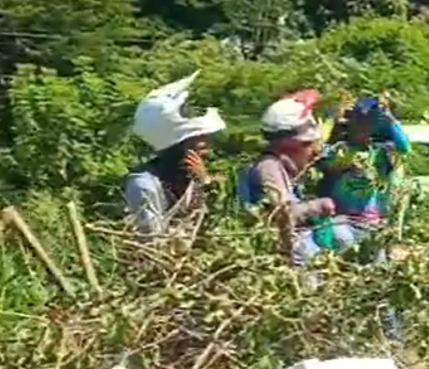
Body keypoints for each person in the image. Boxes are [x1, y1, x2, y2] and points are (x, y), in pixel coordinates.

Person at [238, 90, 336, 266]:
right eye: (306, 144)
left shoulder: (283, 169)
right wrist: (317, 206)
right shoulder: (269, 168)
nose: (311, 151)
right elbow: (280, 215)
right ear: (287, 145)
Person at [126, 71, 227, 238]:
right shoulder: (144, 184)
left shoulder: (193, 179)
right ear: (176, 146)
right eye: (198, 138)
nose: (206, 145)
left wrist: (206, 183)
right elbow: (151, 241)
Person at [316, 96, 411, 246]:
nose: (364, 128)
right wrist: (334, 118)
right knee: (341, 241)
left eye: (369, 124)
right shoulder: (339, 151)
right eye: (359, 123)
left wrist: (389, 118)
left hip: (370, 221)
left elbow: (404, 147)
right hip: (341, 220)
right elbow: (317, 153)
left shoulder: (378, 152)